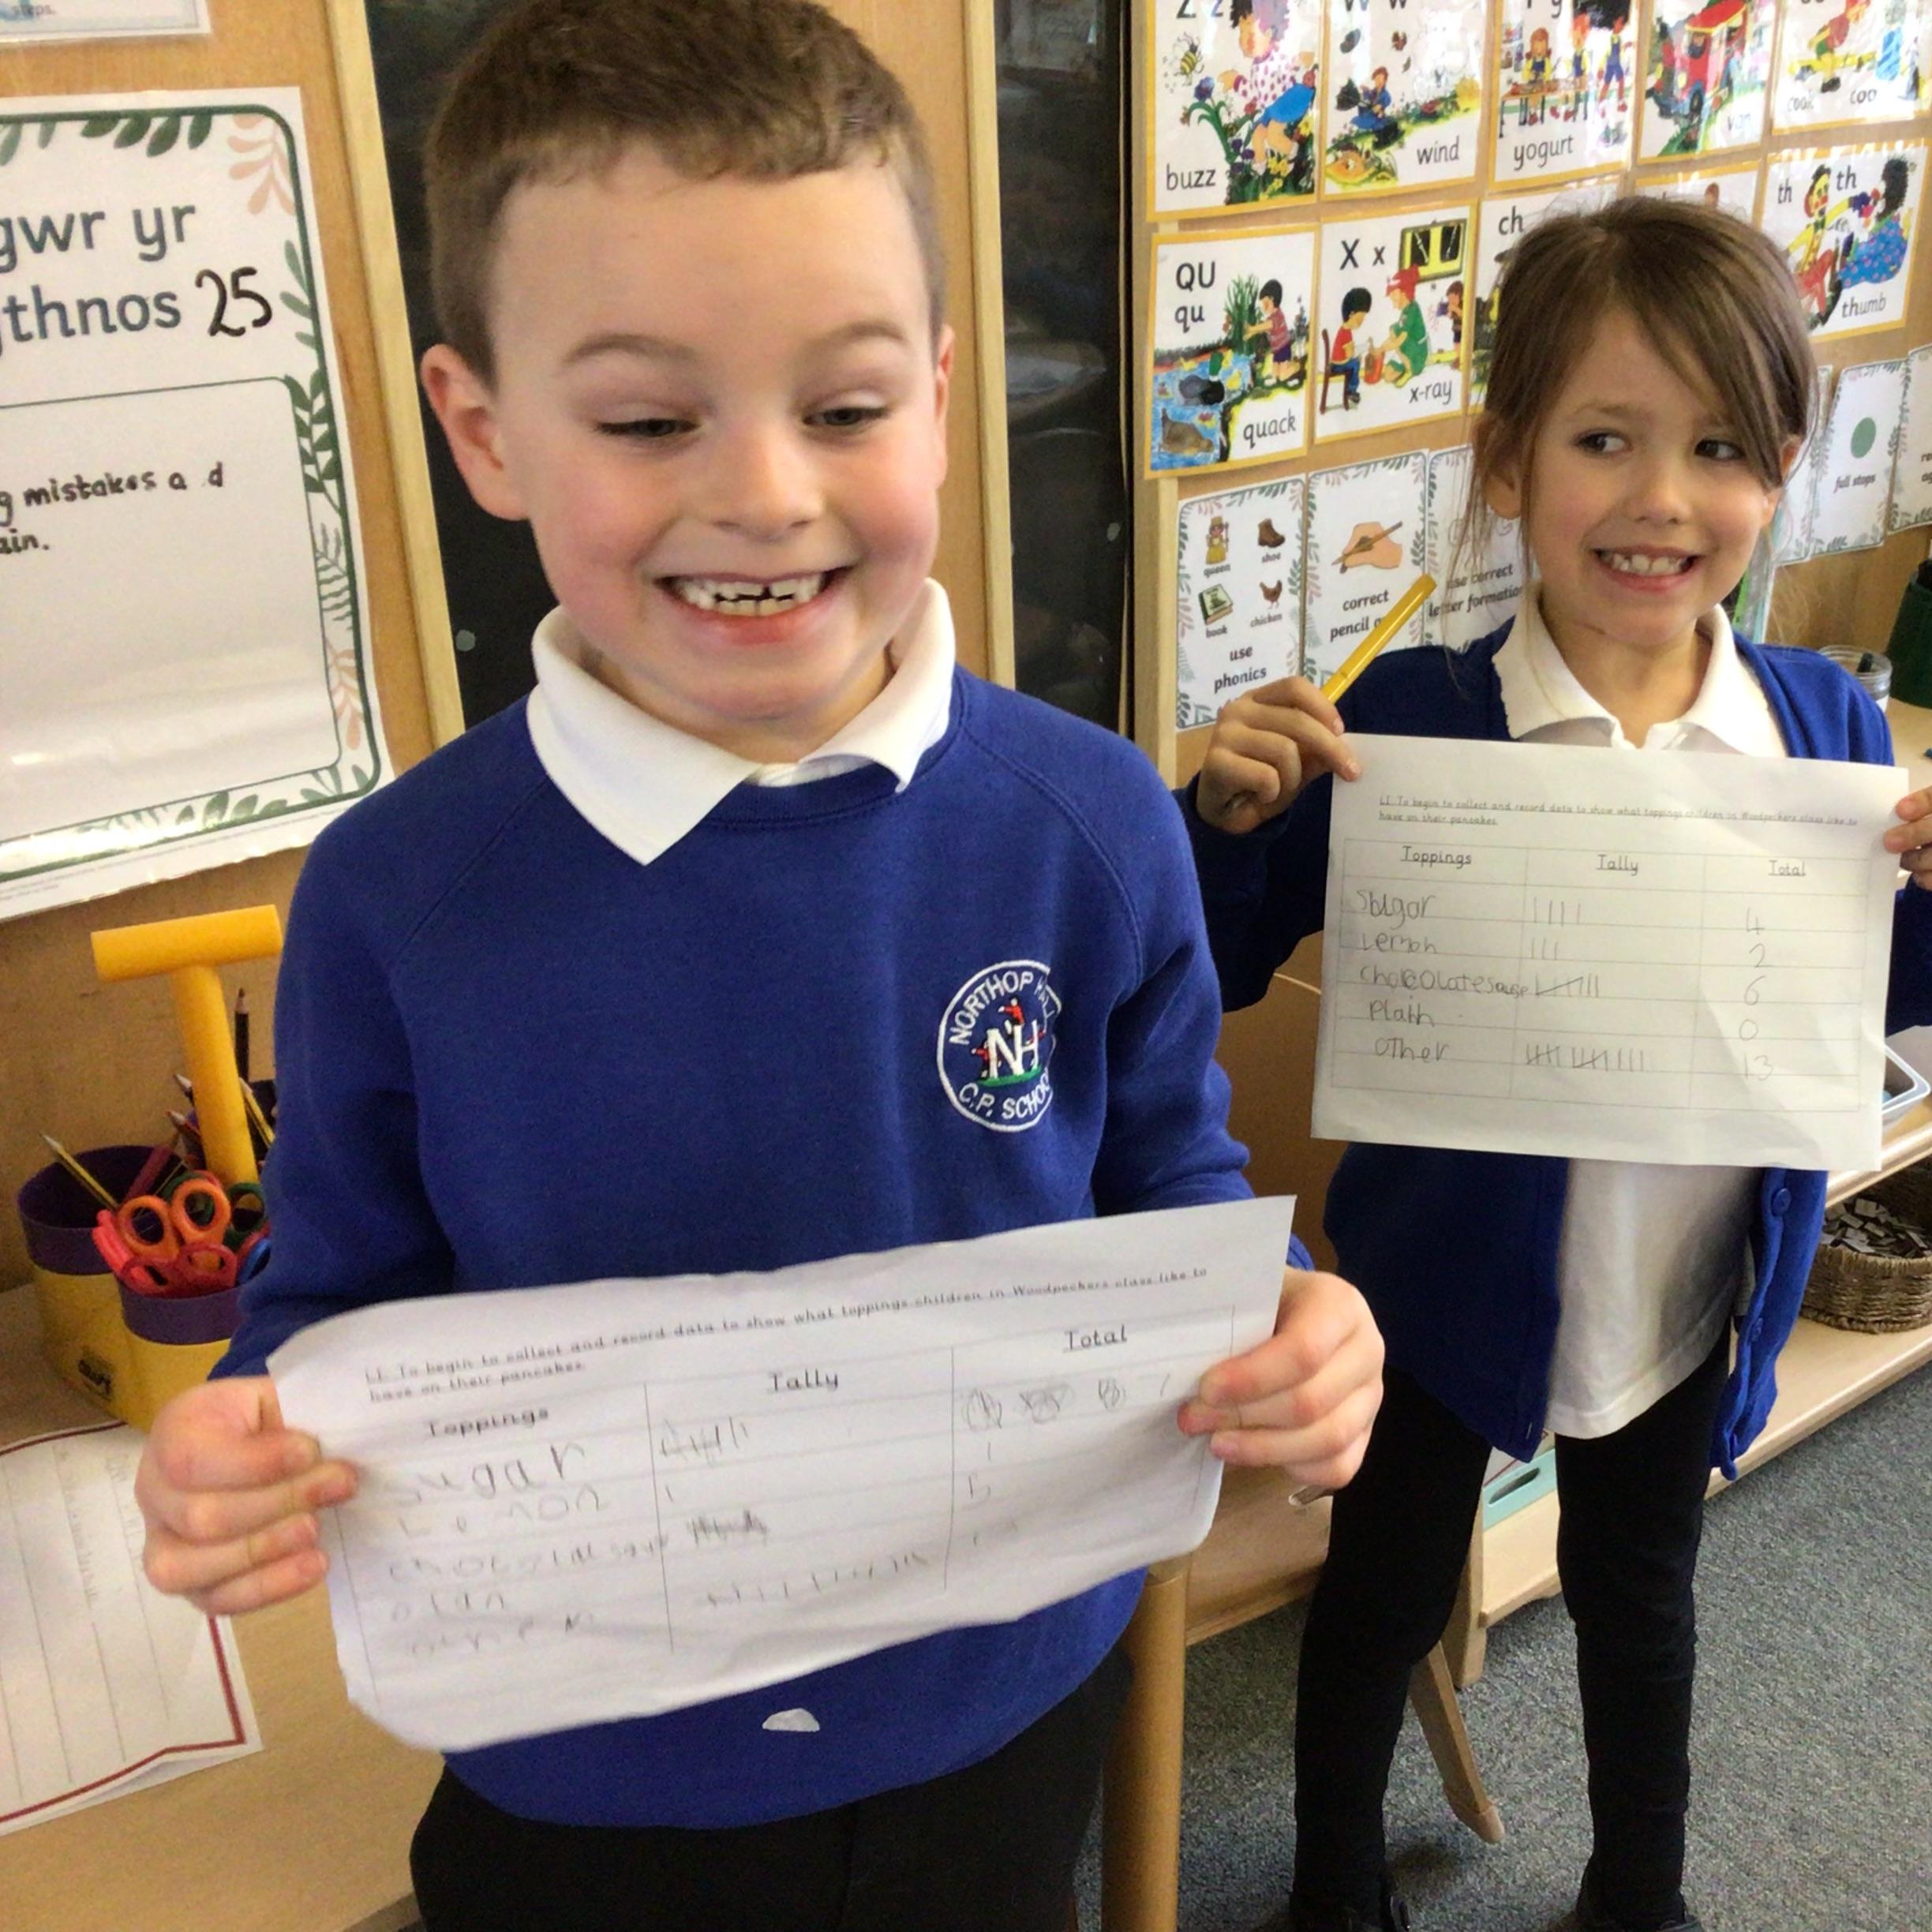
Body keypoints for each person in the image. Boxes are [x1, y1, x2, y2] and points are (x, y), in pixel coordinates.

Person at [129, 4, 1382, 1929]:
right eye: (650, 422)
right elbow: (337, 1307)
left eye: (848, 407)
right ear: (485, 430)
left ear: (942, 396)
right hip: (580, 1769)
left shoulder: (1090, 825)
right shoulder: (396, 896)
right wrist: (246, 1437)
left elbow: (1166, 1194)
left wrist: (1289, 1318)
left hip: (997, 1705)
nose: (770, 492)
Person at [1180, 197, 1932, 1932]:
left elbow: (1884, 992)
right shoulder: (1407, 723)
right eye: (1603, 439)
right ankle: (1334, 1889)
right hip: (1436, 1292)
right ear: (1508, 463)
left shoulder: (1823, 725)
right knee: (1378, 1598)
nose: (1661, 498)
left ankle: (1640, 1892)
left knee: (1642, 1597)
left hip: (1689, 1290)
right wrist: (1225, 818)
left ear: (1776, 472)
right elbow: (1216, 958)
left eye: (1717, 448)